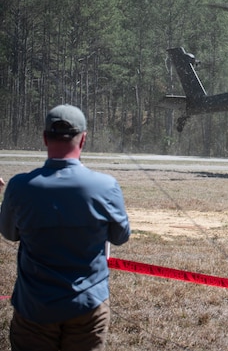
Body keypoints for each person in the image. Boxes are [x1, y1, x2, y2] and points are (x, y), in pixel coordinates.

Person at [0, 104, 131, 351]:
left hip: (34, 307)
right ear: (83, 139)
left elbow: (9, 233)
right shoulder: (106, 186)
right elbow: (120, 236)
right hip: (88, 305)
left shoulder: (19, 187)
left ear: (44, 138)